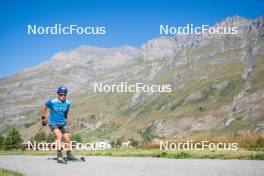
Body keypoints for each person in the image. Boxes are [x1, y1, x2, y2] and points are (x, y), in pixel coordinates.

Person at [41, 86, 76, 162]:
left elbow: (67, 110)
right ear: (58, 94)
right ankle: (59, 156)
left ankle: (69, 154)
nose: (63, 96)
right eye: (61, 94)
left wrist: (65, 116)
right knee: (59, 136)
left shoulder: (67, 103)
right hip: (53, 123)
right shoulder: (52, 102)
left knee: (67, 139)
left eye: (64, 94)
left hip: (62, 123)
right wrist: (43, 117)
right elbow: (44, 106)